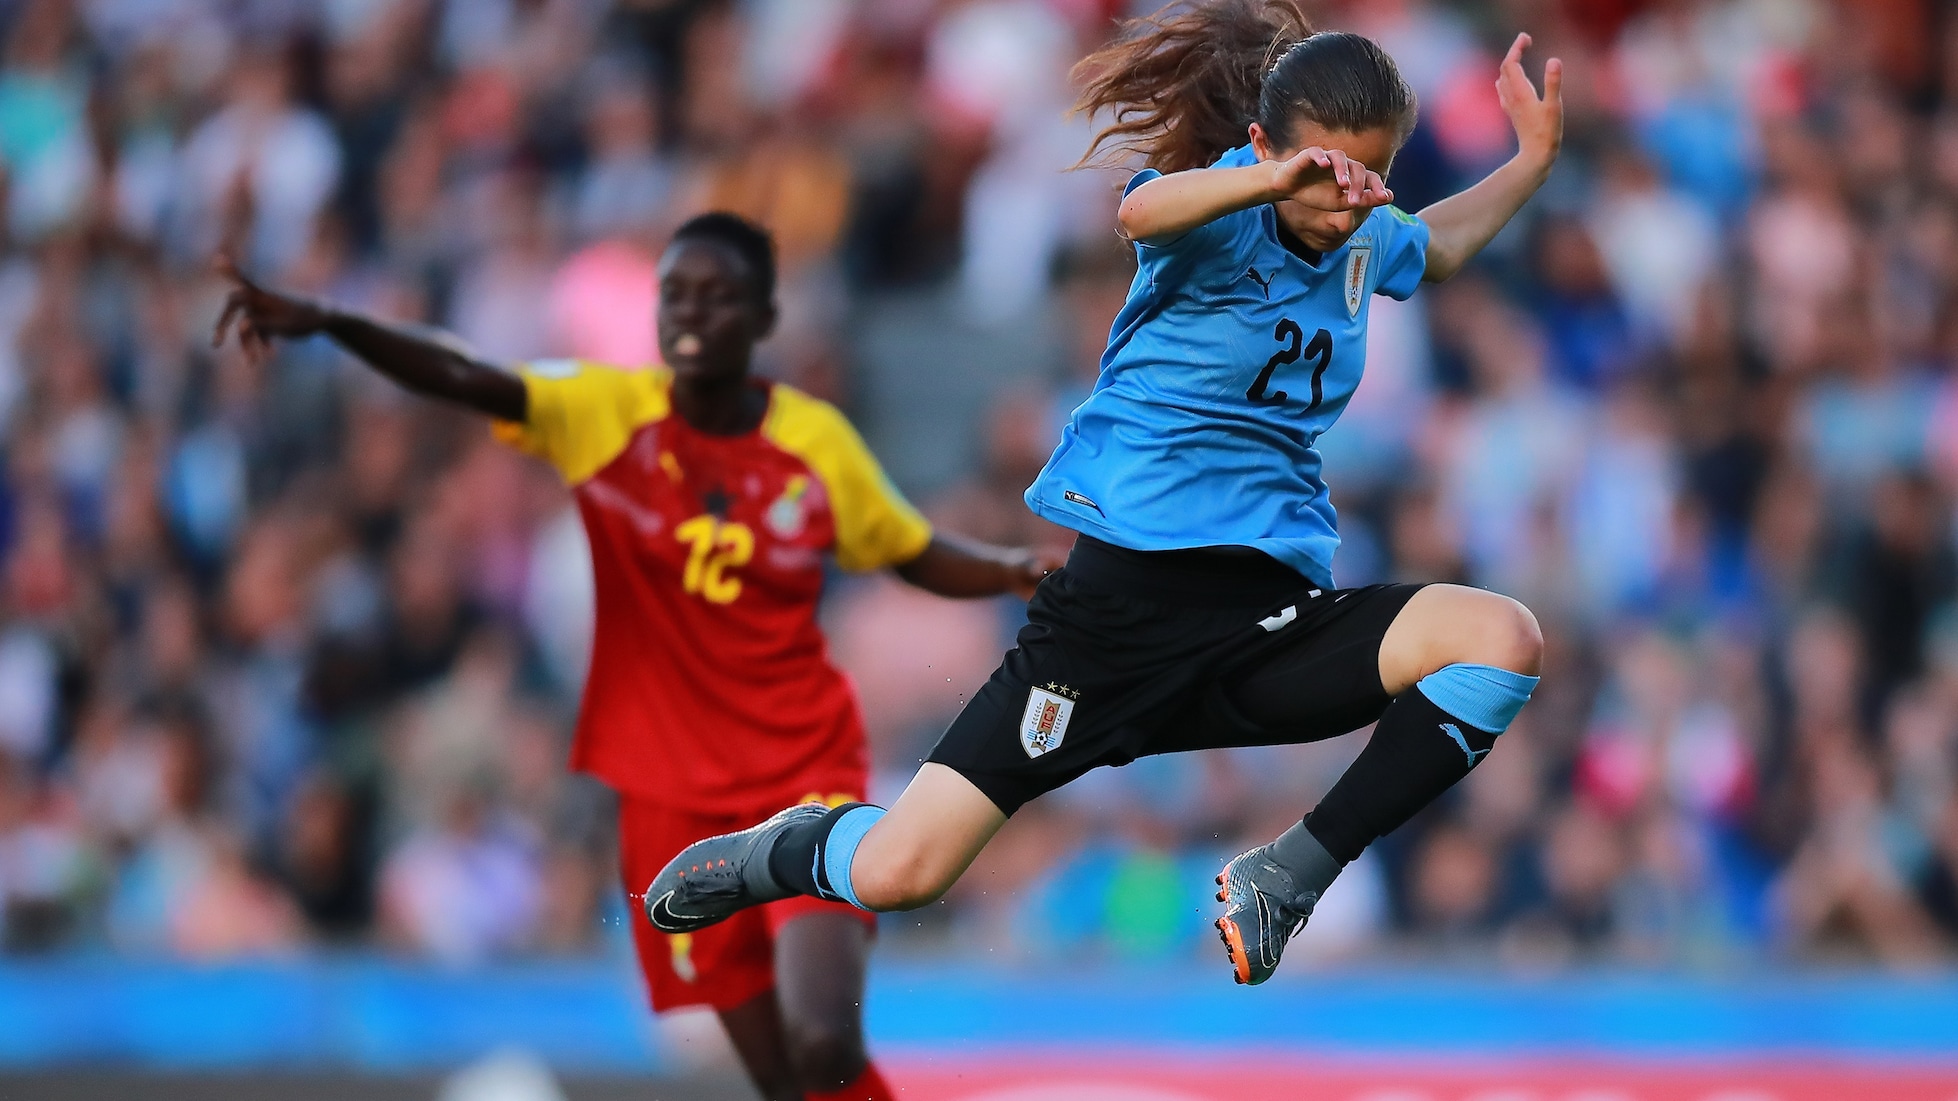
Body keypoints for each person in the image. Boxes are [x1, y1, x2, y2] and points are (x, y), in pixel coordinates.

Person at [645, 0, 1562, 989]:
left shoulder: (1361, 237)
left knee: (1500, 638)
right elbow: (1140, 211)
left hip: (1263, 626)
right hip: (1111, 629)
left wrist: (1528, 163)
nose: (1345, 203)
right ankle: (782, 850)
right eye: (1322, 174)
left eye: (1365, 175)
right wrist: (1265, 181)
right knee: (899, 873)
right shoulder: (1219, 216)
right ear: (1263, 146)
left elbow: (1436, 247)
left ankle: (1288, 875)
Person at [213, 212, 1055, 1101]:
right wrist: (337, 323)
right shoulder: (605, 413)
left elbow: (909, 548)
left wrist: (1012, 570)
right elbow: (465, 373)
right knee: (768, 1067)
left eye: (717, 296)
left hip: (801, 766)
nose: (691, 313)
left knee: (822, 1039)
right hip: (671, 794)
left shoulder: (812, 441)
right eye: (675, 294)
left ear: (763, 317)